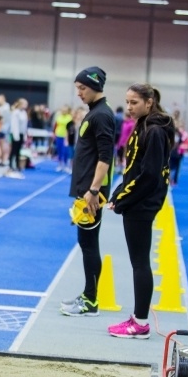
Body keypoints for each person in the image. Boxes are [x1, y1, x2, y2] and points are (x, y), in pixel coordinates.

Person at [107, 84, 175, 339]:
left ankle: (140, 323)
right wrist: (118, 193)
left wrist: (124, 199)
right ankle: (138, 317)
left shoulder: (155, 130)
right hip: (136, 200)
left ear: (149, 102)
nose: (129, 107)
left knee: (139, 263)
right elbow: (134, 167)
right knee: (138, 261)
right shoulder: (143, 125)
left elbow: (149, 175)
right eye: (127, 102)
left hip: (143, 203)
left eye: (134, 102)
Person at [60, 66, 115, 317]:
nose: (79, 93)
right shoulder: (95, 113)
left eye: (82, 88)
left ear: (94, 86)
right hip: (86, 190)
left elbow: (105, 157)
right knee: (86, 243)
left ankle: (91, 301)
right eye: (77, 88)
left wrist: (93, 190)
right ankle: (88, 295)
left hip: (92, 193)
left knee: (89, 244)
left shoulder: (102, 115)